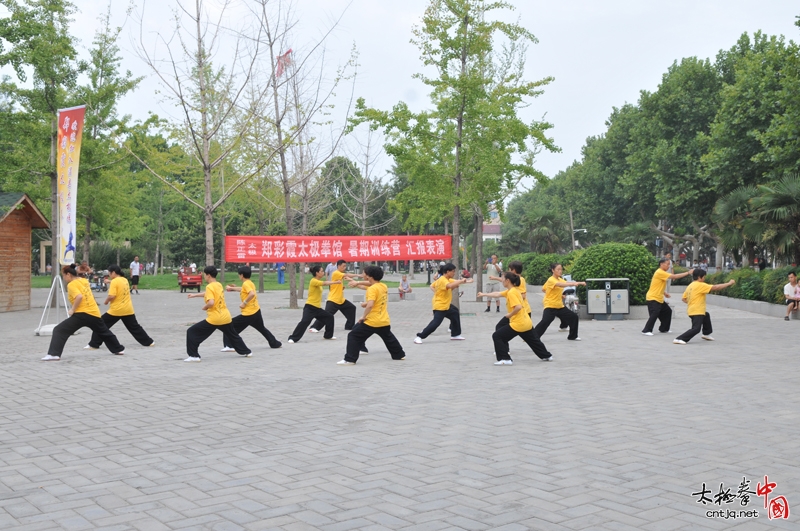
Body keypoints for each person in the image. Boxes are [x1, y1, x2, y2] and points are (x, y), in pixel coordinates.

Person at [42, 264, 125, 361]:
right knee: (104, 332)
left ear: (68, 274)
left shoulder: (71, 284)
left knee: (59, 330)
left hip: (82, 314)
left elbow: (79, 297)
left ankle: (54, 354)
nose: (64, 278)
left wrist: (72, 309)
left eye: (64, 276)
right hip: (94, 312)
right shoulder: (84, 281)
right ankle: (118, 349)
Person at [478, 271, 553, 365]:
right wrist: (484, 295)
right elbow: (497, 294)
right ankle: (547, 355)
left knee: (497, 336)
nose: (501, 281)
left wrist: (509, 315)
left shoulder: (511, 293)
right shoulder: (514, 290)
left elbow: (518, 307)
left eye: (503, 279)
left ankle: (505, 359)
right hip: (526, 322)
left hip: (518, 323)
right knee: (533, 341)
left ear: (507, 281)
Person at [337, 265, 406, 365]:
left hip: (372, 321)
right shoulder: (383, 286)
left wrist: (363, 316)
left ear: (370, 276)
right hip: (383, 320)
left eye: (365, 273)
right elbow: (373, 297)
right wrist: (356, 282)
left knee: (353, 335)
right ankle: (399, 355)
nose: (363, 275)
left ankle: (350, 359)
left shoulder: (372, 289)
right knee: (388, 337)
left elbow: (370, 304)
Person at [184, 266, 251, 362]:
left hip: (215, 318)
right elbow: (208, 293)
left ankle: (194, 356)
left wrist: (205, 307)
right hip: (225, 316)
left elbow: (211, 302)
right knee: (233, 335)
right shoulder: (218, 284)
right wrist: (194, 295)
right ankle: (247, 351)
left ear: (208, 275)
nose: (204, 276)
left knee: (191, 332)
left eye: (204, 274)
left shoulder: (209, 286)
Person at [84, 265, 154, 350]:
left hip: (117, 310)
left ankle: (94, 344)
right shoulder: (124, 280)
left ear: (113, 272)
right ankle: (149, 342)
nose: (109, 275)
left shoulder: (114, 282)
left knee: (100, 325)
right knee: (134, 327)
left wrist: (106, 301)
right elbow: (118, 284)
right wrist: (109, 281)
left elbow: (112, 296)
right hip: (128, 308)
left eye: (109, 273)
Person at [221, 265, 282, 351]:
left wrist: (244, 303)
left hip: (249, 314)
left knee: (229, 325)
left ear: (242, 275)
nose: (239, 276)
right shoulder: (249, 283)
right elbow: (243, 289)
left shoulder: (246, 284)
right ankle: (275, 343)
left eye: (239, 274)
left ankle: (229, 345)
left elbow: (252, 293)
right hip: (256, 311)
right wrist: (232, 288)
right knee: (262, 328)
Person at [414, 263, 473, 344]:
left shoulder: (447, 278)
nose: (454, 273)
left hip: (446, 305)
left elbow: (453, 282)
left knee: (455, 312)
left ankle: (455, 334)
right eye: (453, 271)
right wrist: (438, 293)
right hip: (440, 306)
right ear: (447, 271)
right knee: (435, 323)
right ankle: (419, 336)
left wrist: (468, 281)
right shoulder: (442, 280)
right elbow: (449, 285)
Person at [674, 270, 735, 344]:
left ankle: (706, 333)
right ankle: (679, 339)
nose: (704, 278)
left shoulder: (690, 285)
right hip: (697, 311)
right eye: (704, 277)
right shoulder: (700, 285)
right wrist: (729, 283)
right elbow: (715, 287)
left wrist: (692, 302)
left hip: (692, 309)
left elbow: (683, 299)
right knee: (696, 329)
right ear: (700, 277)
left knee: (706, 315)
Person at [287, 265, 341, 343]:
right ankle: (293, 338)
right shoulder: (313, 281)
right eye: (321, 271)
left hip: (317, 308)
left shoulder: (318, 281)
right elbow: (325, 283)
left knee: (329, 317)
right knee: (304, 322)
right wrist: (336, 282)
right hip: (310, 307)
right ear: (317, 273)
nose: (323, 273)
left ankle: (328, 335)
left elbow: (323, 284)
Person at [534, 263, 586, 341]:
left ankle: (573, 336)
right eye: (558, 269)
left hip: (559, 306)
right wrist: (576, 283)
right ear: (553, 270)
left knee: (573, 317)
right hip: (550, 305)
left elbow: (545, 289)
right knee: (546, 321)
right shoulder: (551, 279)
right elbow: (561, 285)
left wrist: (559, 295)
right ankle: (533, 337)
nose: (560, 271)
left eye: (561, 269)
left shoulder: (559, 279)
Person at [641, 259, 694, 335]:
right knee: (655, 313)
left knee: (667, 311)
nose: (668, 266)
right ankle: (646, 330)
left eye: (669, 264)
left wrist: (664, 293)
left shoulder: (662, 273)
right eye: (667, 264)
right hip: (653, 298)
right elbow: (674, 276)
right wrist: (688, 272)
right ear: (661, 264)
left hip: (659, 298)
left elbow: (656, 286)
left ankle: (664, 328)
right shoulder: (660, 272)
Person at [308, 260, 363, 333]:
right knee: (327, 314)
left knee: (351, 308)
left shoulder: (340, 274)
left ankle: (349, 326)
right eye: (343, 266)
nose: (344, 267)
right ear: (339, 266)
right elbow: (346, 275)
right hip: (333, 300)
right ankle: (314, 327)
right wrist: (358, 275)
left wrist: (341, 287)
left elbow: (340, 281)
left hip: (341, 300)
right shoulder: (336, 273)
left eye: (345, 266)